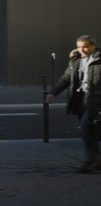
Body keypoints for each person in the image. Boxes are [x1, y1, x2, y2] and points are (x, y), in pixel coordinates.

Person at [47, 34, 101, 173]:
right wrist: (53, 93)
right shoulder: (76, 60)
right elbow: (66, 78)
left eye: (85, 46)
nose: (82, 49)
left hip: (96, 100)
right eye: (79, 47)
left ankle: (93, 161)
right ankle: (97, 160)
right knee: (89, 131)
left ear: (93, 46)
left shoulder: (99, 60)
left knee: (86, 127)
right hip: (80, 100)